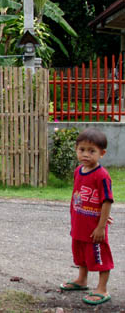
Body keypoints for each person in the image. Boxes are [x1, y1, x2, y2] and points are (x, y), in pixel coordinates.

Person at [59, 128, 113, 306]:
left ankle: (102, 288)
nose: (86, 155)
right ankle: (82, 280)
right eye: (82, 150)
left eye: (92, 151)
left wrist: (101, 225)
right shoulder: (78, 171)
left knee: (99, 258)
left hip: (94, 229)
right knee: (81, 254)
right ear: (76, 149)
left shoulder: (102, 176)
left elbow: (107, 201)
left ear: (102, 153)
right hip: (79, 224)